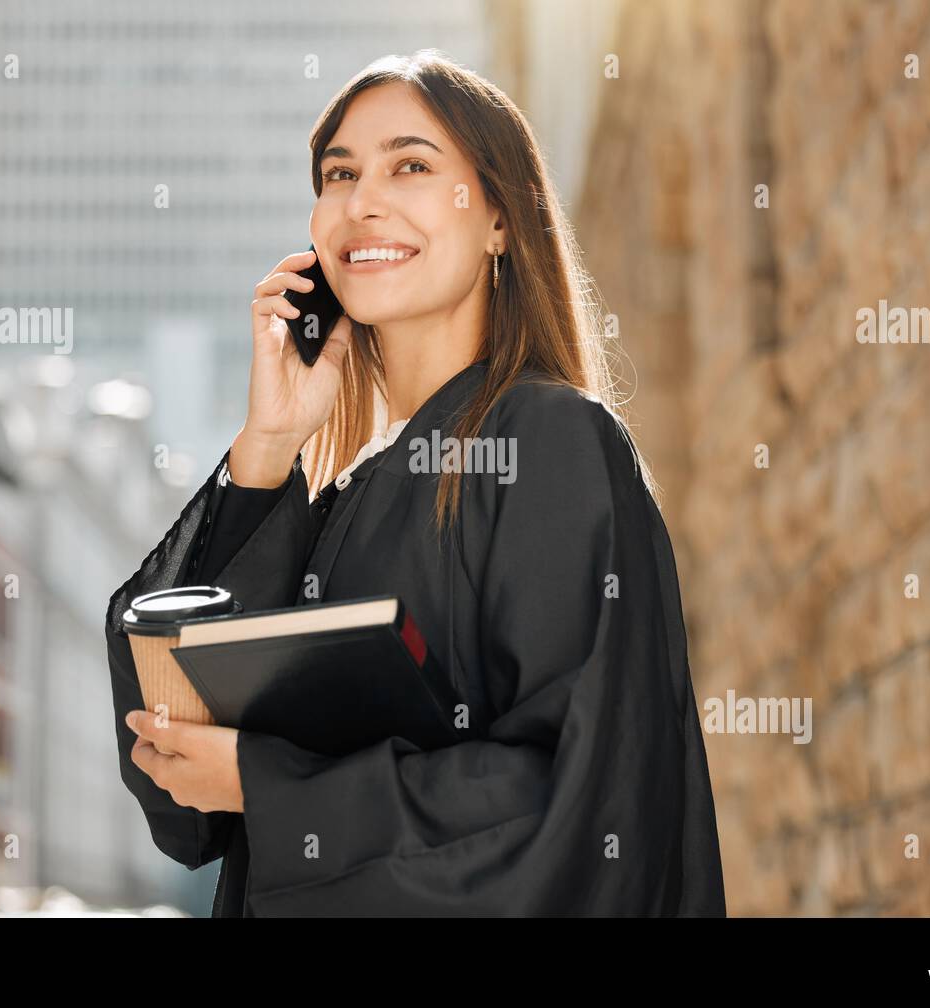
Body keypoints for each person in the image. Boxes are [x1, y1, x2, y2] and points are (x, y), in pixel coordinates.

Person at [103, 49, 725, 917]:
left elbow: (574, 801)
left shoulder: (550, 444)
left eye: (411, 165)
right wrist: (268, 445)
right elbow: (176, 789)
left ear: (500, 217)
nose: (363, 202)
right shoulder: (339, 494)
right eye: (339, 173)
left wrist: (271, 786)